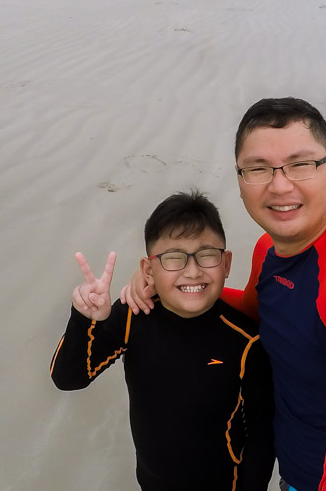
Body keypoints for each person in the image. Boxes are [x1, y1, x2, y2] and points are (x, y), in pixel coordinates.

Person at [122, 98, 326, 491]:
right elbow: (259, 310)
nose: (280, 185)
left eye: (300, 164)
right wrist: (171, 284)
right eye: (259, 168)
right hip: (292, 472)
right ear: (241, 180)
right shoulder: (269, 250)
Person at [50, 190, 275, 491]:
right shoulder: (133, 316)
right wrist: (85, 318)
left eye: (207, 255)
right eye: (174, 259)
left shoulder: (246, 342)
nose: (192, 271)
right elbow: (69, 378)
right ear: (148, 269)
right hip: (151, 482)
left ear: (226, 263)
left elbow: (262, 436)